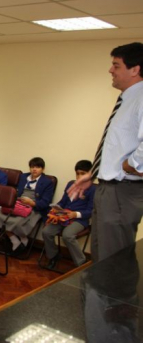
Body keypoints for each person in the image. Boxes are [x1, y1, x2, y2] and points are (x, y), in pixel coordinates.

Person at [68, 42, 143, 262]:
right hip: (108, 188)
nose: (111, 70)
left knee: (114, 259)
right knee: (101, 256)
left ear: (135, 69)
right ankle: (100, 296)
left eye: (116, 65)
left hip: (123, 191)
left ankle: (114, 297)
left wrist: (132, 165)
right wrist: (94, 173)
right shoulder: (127, 100)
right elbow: (118, 146)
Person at [0, 157, 54, 256]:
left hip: (34, 207)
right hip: (18, 203)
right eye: (32, 167)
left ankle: (22, 238)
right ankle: (15, 240)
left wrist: (32, 203)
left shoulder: (47, 182)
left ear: (42, 169)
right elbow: (16, 192)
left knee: (17, 221)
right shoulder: (24, 177)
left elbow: (46, 202)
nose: (34, 169)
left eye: (37, 167)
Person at [42, 160, 95, 269]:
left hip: (79, 219)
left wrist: (75, 214)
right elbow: (63, 202)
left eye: (83, 174)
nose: (79, 176)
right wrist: (56, 208)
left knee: (67, 235)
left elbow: (91, 211)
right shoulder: (71, 184)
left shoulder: (93, 189)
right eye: (78, 173)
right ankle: (53, 256)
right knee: (46, 232)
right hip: (63, 216)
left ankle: (81, 263)